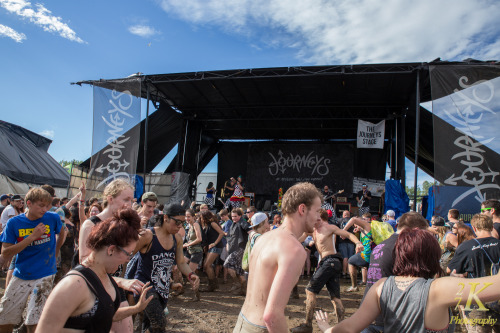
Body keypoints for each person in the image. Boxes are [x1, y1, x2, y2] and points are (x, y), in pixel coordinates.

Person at [314, 227, 500, 333]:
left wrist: (326, 328)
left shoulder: (381, 286)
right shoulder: (439, 289)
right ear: (431, 255)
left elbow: (348, 329)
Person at [35, 208, 152, 333]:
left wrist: (136, 308)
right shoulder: (74, 285)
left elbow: (104, 315)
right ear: (111, 249)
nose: (128, 260)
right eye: (128, 254)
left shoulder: (106, 278)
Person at [234, 182, 323, 333]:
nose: (319, 218)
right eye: (317, 211)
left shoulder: (264, 237)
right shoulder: (294, 249)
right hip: (261, 327)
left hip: (243, 321)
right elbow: (272, 316)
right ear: (302, 209)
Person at [78, 178, 140, 333]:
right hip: (92, 287)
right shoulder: (91, 224)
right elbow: (83, 260)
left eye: (131, 200)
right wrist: (121, 281)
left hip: (115, 284)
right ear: (110, 199)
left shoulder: (123, 225)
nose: (129, 205)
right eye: (125, 199)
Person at [0, 187, 65, 333]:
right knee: (5, 317)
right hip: (22, 273)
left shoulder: (52, 218)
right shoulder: (14, 223)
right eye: (41, 205)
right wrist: (31, 237)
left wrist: (55, 253)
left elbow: (62, 232)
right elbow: (6, 251)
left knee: (34, 319)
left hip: (45, 272)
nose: (44, 209)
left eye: (47, 206)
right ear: (28, 203)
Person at [291, 209, 363, 333]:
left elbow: (348, 234)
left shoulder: (329, 227)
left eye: (316, 218)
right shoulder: (312, 230)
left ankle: (308, 325)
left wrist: (358, 243)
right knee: (335, 297)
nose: (314, 221)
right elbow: (298, 239)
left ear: (321, 218)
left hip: (331, 261)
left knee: (309, 290)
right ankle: (342, 326)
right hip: (328, 263)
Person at [133, 203, 200, 332]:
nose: (180, 226)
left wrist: (191, 274)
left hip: (162, 289)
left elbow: (181, 262)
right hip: (145, 287)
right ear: (165, 218)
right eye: (177, 222)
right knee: (159, 322)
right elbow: (127, 255)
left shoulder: (177, 239)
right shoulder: (148, 235)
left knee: (151, 326)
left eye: (182, 223)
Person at [361, 211, 429, 333]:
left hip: (369, 313)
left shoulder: (381, 245)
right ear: (416, 230)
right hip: (390, 317)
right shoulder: (405, 248)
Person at [447, 214, 500, 332]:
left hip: (476, 303)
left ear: (474, 228)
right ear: (492, 227)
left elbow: (450, 270)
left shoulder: (466, 246)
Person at [342, 215, 373, 292]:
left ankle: (354, 286)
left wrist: (343, 231)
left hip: (367, 255)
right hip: (372, 254)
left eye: (355, 224)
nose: (354, 226)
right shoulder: (364, 228)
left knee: (351, 261)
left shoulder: (367, 225)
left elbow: (353, 219)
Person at [225, 208, 250, 295]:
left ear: (240, 216)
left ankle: (237, 284)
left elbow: (249, 230)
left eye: (235, 216)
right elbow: (229, 237)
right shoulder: (233, 224)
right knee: (240, 271)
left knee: (227, 264)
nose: (234, 218)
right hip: (233, 249)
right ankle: (244, 290)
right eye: (232, 216)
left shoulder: (242, 222)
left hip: (240, 248)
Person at [200, 210, 225, 292]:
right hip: (212, 247)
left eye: (201, 217)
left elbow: (221, 233)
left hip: (216, 246)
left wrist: (214, 243)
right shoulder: (207, 225)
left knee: (207, 265)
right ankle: (213, 284)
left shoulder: (213, 224)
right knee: (206, 266)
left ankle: (212, 285)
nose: (201, 219)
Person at [336, 210, 354, 279]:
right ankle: (349, 272)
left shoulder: (339, 221)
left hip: (342, 241)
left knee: (345, 257)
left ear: (343, 215)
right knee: (350, 258)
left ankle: (344, 272)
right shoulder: (352, 221)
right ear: (349, 215)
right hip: (351, 241)